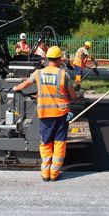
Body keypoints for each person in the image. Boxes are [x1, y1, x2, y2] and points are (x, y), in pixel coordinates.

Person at [12, 46, 77, 182]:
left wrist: (15, 88)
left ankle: (45, 173)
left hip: (45, 113)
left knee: (46, 142)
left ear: (47, 58)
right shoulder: (63, 74)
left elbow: (25, 85)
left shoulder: (38, 73)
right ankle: (54, 173)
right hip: (61, 114)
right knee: (59, 143)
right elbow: (73, 95)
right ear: (59, 59)